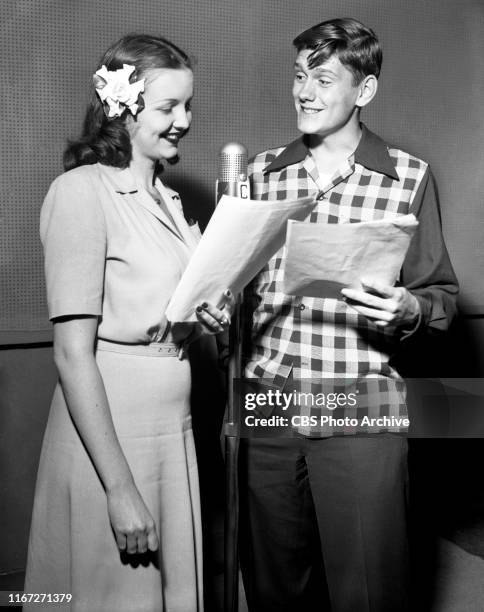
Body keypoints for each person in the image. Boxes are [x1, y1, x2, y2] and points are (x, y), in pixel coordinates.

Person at [239, 17, 458, 612]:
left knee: (370, 589)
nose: (304, 91)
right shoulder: (258, 175)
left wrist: (410, 306)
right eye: (299, 75)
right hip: (270, 410)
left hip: (363, 409)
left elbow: (439, 297)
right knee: (273, 588)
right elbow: (234, 293)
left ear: (364, 90)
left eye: (324, 77)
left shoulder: (409, 177)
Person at [24, 34, 233, 612]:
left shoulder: (169, 200)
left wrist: (209, 314)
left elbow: (169, 307)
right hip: (113, 440)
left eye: (188, 106)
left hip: (173, 435)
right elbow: (71, 354)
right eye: (168, 108)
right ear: (121, 107)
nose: (183, 121)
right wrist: (118, 489)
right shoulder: (81, 192)